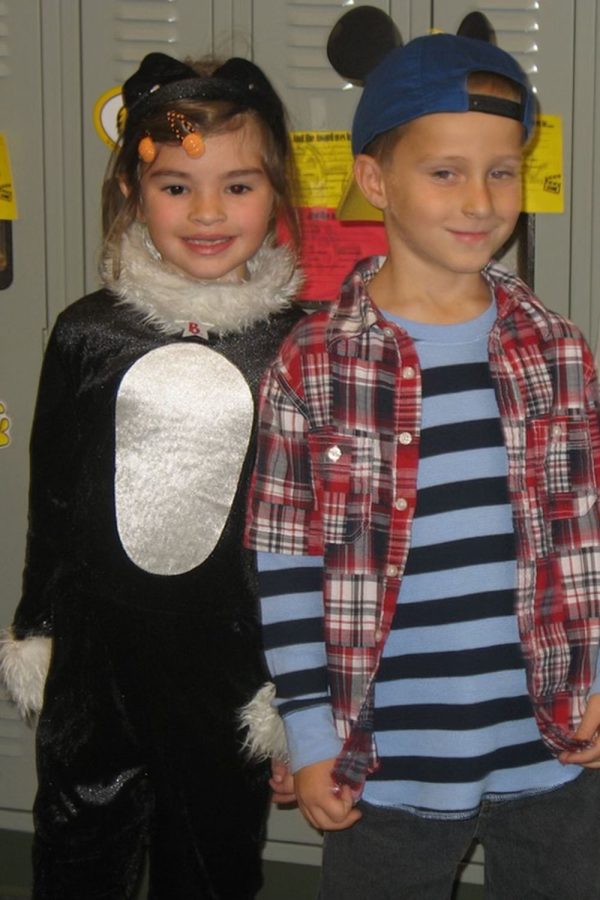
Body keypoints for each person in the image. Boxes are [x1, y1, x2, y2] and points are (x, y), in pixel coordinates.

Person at [243, 10, 600, 899]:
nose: (480, 202)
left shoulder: (555, 348)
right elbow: (286, 565)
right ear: (376, 178)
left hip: (553, 749)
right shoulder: (314, 363)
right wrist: (312, 740)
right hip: (386, 763)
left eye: (501, 171)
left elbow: (589, 530)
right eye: (445, 173)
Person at [0, 50, 303, 900]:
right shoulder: (87, 334)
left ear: (277, 192)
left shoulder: (301, 348)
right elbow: (52, 495)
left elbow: (322, 527)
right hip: (99, 665)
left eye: (238, 186)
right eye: (176, 186)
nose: (208, 212)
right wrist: (39, 626)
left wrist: (302, 691)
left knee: (211, 859)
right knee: (79, 845)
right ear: (133, 193)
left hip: (229, 667)